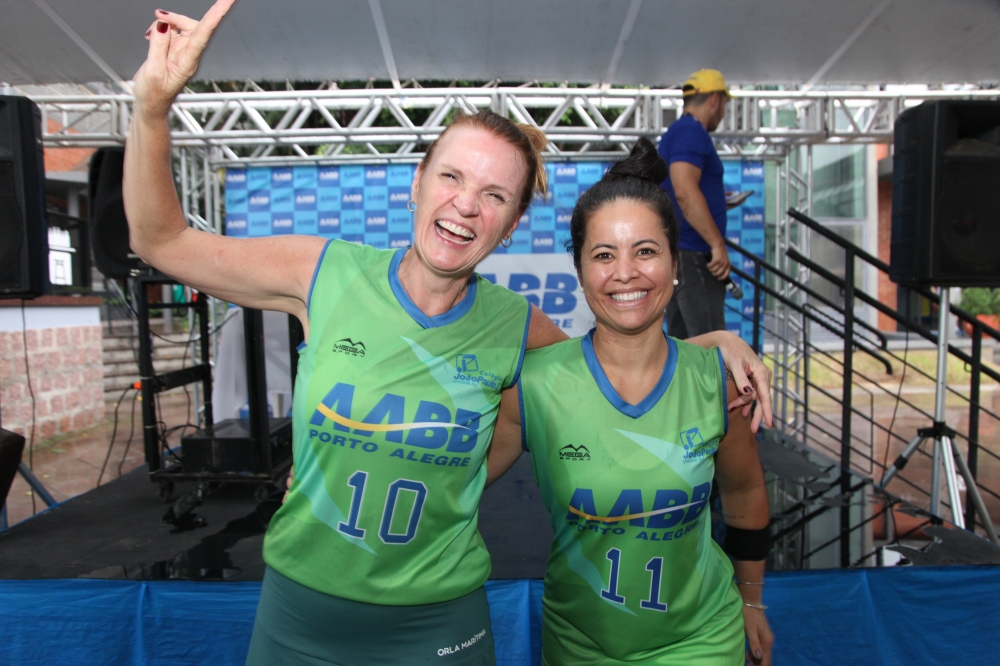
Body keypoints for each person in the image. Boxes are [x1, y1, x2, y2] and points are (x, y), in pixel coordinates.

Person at [125, 4, 773, 664]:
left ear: (511, 226)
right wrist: (151, 107)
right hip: (301, 615)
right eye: (452, 177)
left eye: (495, 195)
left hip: (439, 624)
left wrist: (709, 348)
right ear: (417, 183)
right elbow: (160, 240)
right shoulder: (322, 273)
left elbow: (615, 361)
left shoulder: (513, 324)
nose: (466, 204)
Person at [488, 139, 773, 665]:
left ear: (674, 262)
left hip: (702, 642)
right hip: (580, 646)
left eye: (645, 251)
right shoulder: (533, 385)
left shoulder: (719, 380)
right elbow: (454, 481)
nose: (625, 272)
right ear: (579, 271)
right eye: (603, 255)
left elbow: (746, 490)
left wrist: (751, 599)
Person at [658, 69, 735, 339]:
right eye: (724, 103)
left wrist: (716, 201)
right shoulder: (692, 131)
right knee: (711, 347)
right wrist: (717, 244)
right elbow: (684, 191)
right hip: (693, 255)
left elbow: (680, 190)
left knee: (684, 346)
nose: (723, 112)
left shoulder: (676, 132)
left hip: (680, 252)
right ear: (715, 100)